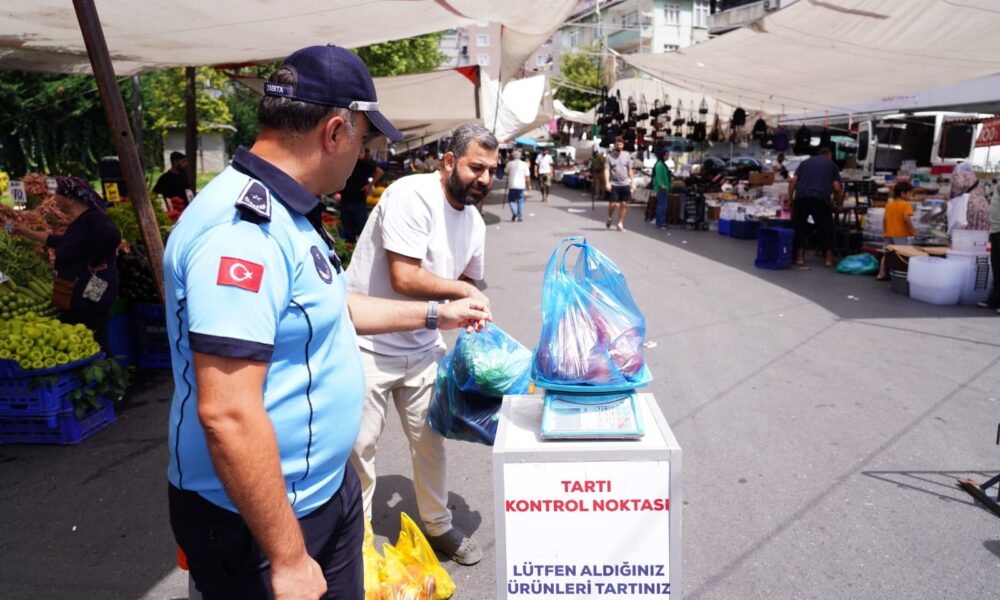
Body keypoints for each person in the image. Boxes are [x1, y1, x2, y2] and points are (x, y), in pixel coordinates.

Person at [162, 46, 490, 600]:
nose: (363, 155)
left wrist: (439, 313)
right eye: (364, 140)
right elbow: (227, 412)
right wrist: (288, 557)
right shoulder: (242, 233)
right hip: (261, 518)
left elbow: (338, 307)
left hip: (322, 491)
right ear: (335, 131)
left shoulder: (290, 212)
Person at [346, 124, 497, 567]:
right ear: (448, 161)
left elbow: (466, 280)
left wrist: (471, 305)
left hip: (423, 348)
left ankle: (438, 525)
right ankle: (357, 543)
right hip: (367, 343)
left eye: (491, 170)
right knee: (359, 449)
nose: (485, 179)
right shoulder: (412, 194)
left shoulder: (474, 222)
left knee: (431, 441)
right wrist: (461, 293)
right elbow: (405, 277)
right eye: (476, 167)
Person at [10, 176, 120, 355]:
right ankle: (99, 366)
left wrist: (94, 262)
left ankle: (104, 367)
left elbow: (112, 236)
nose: (54, 198)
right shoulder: (81, 220)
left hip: (91, 291)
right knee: (87, 333)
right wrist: (26, 231)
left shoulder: (93, 219)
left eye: (57, 194)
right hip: (82, 290)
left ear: (70, 199)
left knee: (93, 334)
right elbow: (62, 242)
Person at [787, 146, 842, 267]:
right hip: (821, 199)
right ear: (829, 155)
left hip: (802, 198)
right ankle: (828, 260)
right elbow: (837, 188)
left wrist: (790, 199)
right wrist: (839, 204)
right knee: (826, 227)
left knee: (799, 227)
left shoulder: (804, 163)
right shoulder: (831, 165)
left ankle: (800, 258)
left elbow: (793, 181)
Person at [339, 147, 384, 243]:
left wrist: (369, 185)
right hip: (345, 201)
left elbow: (380, 172)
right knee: (348, 231)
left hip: (358, 201)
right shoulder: (342, 163)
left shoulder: (361, 163)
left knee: (362, 230)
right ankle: (350, 246)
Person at [875, 181, 915, 281]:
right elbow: (906, 218)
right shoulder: (906, 205)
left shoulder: (889, 205)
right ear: (903, 193)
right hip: (900, 234)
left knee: (887, 253)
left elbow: (884, 220)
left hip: (888, 233)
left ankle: (881, 273)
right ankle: (900, 274)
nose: (910, 195)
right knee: (902, 254)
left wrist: (885, 232)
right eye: (909, 193)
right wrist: (913, 230)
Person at [605, 136, 633, 231]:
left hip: (625, 183)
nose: (619, 146)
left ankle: (620, 223)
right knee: (613, 204)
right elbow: (606, 170)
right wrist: (607, 182)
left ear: (623, 145)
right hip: (614, 183)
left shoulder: (627, 155)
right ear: (614, 145)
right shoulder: (609, 156)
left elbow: (630, 169)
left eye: (620, 144)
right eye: (617, 144)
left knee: (624, 204)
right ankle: (609, 217)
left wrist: (632, 182)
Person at [504, 149, 530, 222]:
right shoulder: (524, 164)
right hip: (521, 185)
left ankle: (514, 212)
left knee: (511, 200)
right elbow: (527, 175)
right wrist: (529, 185)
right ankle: (520, 217)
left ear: (513, 156)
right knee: (520, 201)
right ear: (520, 156)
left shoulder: (510, 163)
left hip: (512, 185)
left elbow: (506, 171)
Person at [652, 149, 672, 230]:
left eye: (668, 155)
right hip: (662, 188)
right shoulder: (660, 165)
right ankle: (661, 223)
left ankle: (660, 223)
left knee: (662, 205)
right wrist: (662, 185)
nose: (667, 156)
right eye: (666, 155)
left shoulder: (662, 164)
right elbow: (658, 176)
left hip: (664, 187)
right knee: (662, 206)